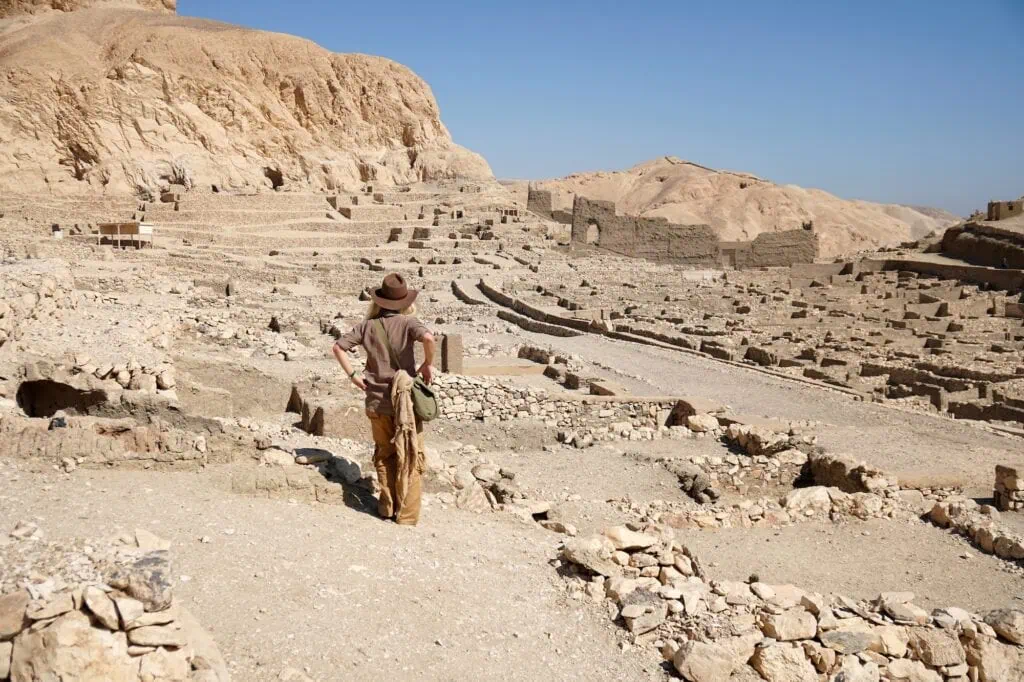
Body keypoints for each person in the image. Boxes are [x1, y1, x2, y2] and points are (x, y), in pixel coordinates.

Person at [332, 273, 435, 526]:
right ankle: (407, 516)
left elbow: (338, 347)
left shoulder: (368, 326)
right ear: (404, 301)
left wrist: (354, 375)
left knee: (384, 453)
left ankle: (387, 507)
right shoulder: (409, 323)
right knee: (410, 455)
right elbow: (430, 338)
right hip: (406, 403)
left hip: (377, 401)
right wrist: (427, 364)